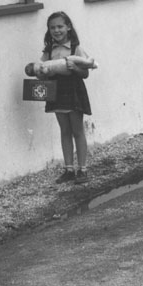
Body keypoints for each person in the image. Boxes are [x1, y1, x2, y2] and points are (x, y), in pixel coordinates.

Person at [36, 11, 93, 184]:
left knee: (77, 130)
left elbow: (85, 73)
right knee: (64, 130)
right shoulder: (49, 51)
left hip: (73, 90)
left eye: (60, 26)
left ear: (68, 27)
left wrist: (75, 68)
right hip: (56, 92)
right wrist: (41, 72)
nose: (57, 30)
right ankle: (69, 169)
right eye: (52, 27)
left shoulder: (76, 48)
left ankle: (82, 169)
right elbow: (41, 71)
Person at [24, 54, 97, 78]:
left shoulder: (43, 63)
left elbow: (85, 74)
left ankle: (89, 63)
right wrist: (43, 71)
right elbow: (46, 75)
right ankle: (90, 64)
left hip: (66, 60)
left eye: (39, 66)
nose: (41, 67)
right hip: (66, 70)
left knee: (75, 59)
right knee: (76, 62)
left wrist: (75, 68)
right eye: (38, 71)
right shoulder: (42, 73)